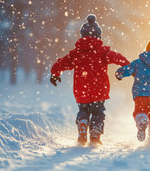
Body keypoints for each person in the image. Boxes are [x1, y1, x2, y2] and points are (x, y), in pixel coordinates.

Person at [50, 14, 130, 146]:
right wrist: (127, 68)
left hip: (82, 90)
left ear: (82, 35)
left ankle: (82, 121)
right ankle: (95, 134)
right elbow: (118, 58)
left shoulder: (76, 53)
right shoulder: (103, 52)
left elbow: (63, 62)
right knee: (98, 113)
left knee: (84, 109)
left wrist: (55, 73)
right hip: (99, 89)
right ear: (98, 36)